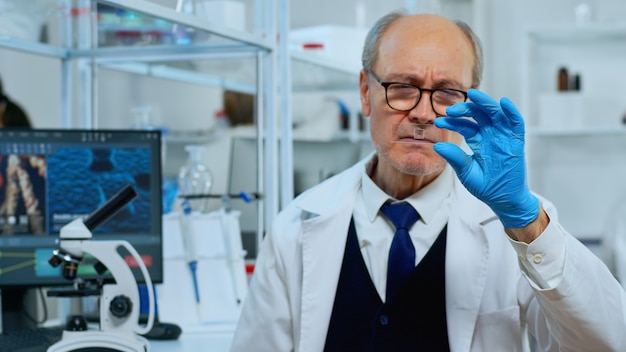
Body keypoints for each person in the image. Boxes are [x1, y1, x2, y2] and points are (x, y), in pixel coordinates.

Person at [231, 11, 626, 351]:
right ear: (366, 92)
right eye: (402, 88)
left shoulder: (517, 226)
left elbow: (607, 341)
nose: (423, 113)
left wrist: (526, 222)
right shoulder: (294, 228)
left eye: (447, 93)